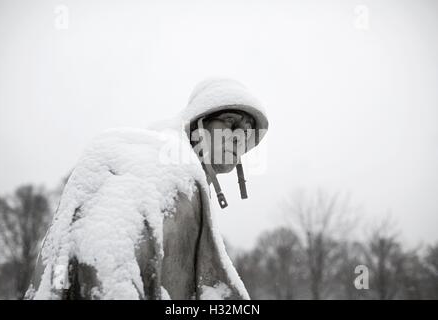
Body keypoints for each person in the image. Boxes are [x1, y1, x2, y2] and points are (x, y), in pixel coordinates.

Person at [26, 78, 269, 300]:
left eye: (248, 132)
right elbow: (105, 261)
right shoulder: (153, 162)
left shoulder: (186, 178)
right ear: (198, 125)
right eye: (230, 122)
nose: (240, 136)